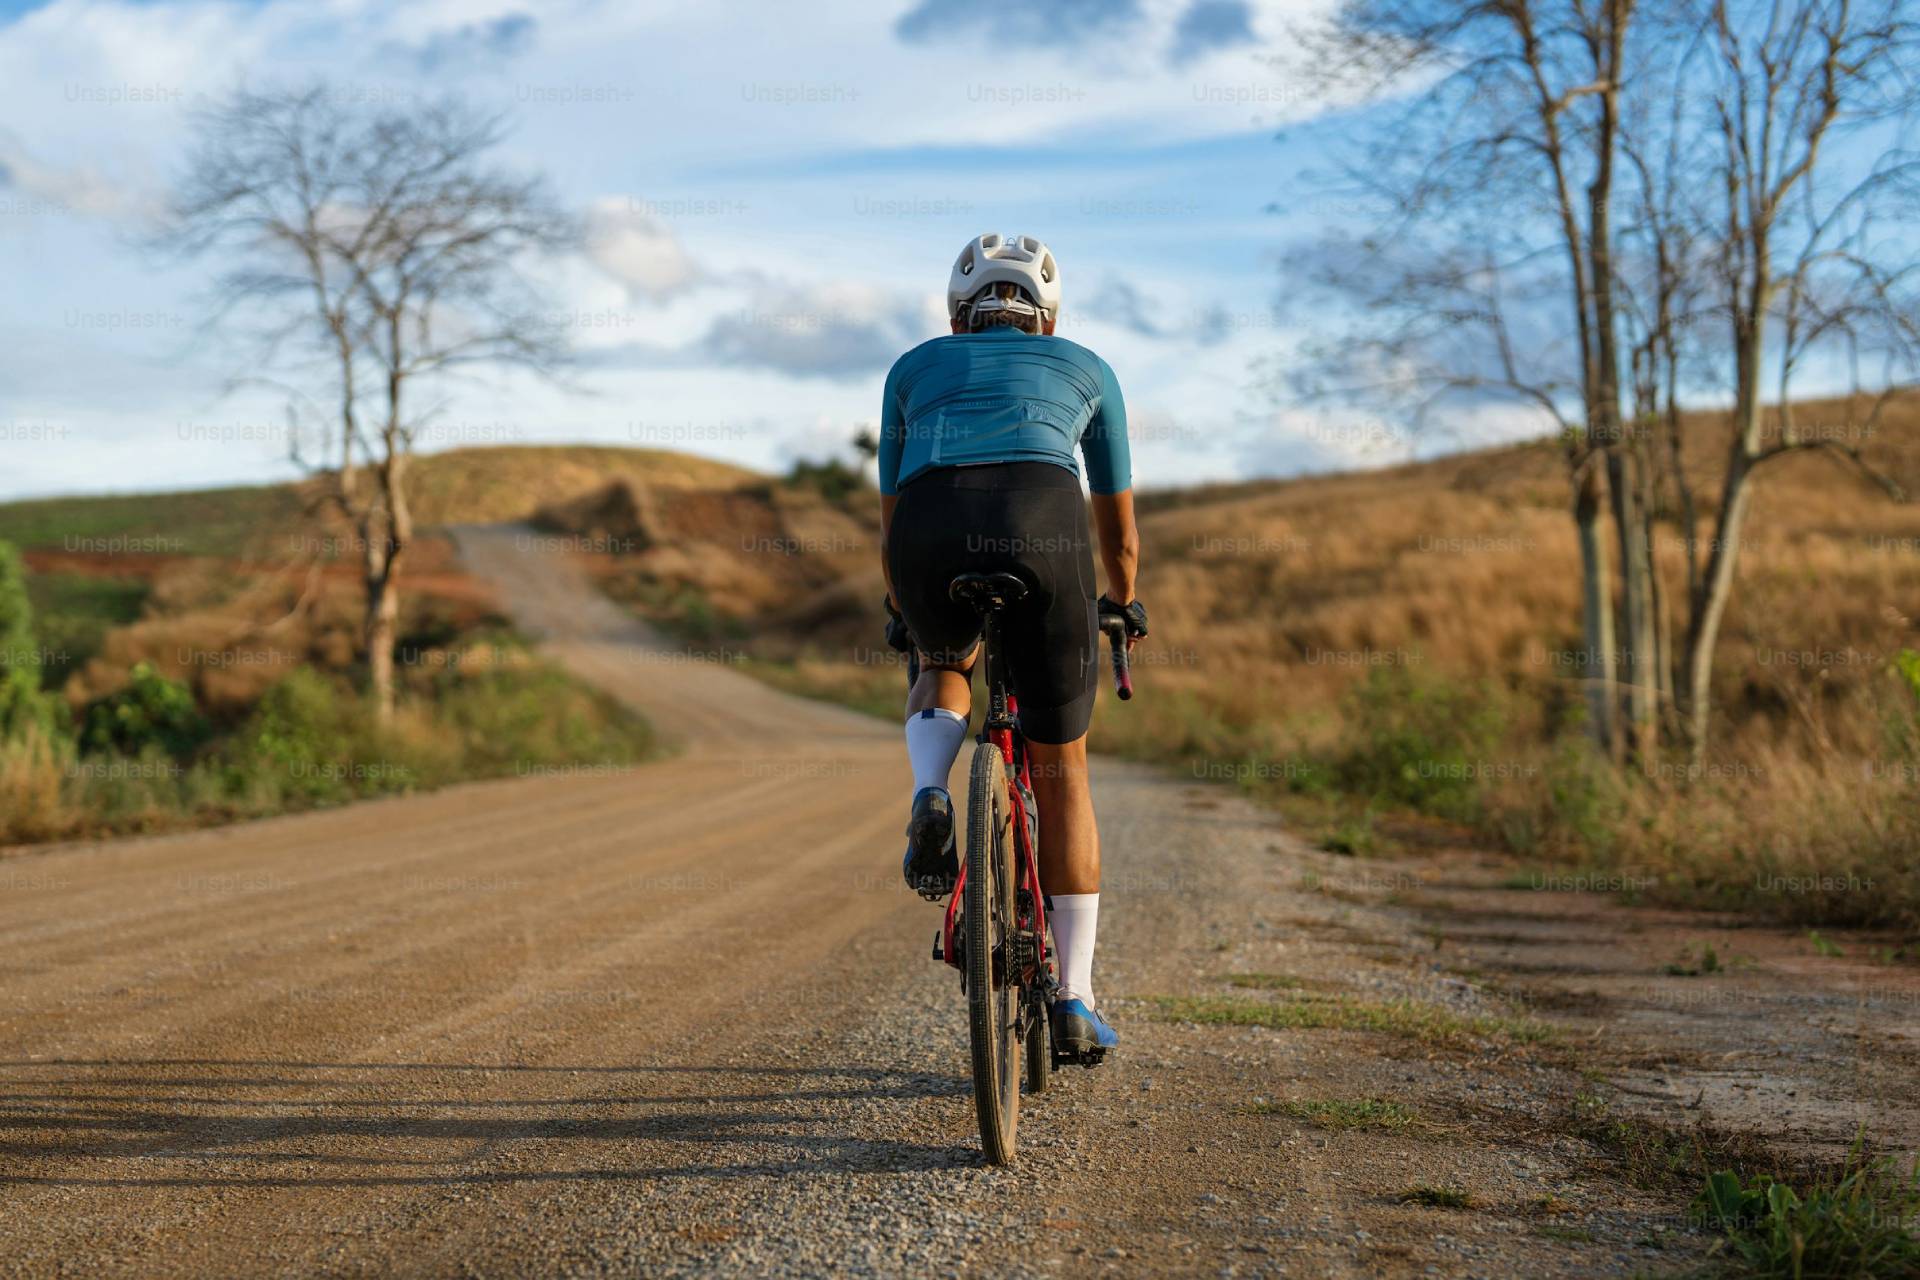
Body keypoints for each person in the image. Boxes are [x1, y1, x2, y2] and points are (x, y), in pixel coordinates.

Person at [876, 233, 1147, 1062]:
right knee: (1064, 773)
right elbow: (1119, 530)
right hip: (1045, 526)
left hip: (928, 532)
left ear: (959, 315)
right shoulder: (1087, 368)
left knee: (941, 663)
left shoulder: (912, 368)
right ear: (1048, 314)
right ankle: (1074, 998)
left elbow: (890, 508)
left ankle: (932, 790)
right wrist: (1123, 605)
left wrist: (906, 608)